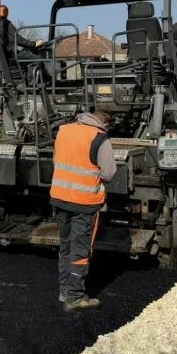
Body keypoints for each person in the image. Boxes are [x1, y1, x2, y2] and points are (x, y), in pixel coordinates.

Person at [50, 110, 116, 311]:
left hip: (61, 198)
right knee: (80, 249)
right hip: (85, 202)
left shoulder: (64, 130)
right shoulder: (100, 138)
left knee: (66, 246)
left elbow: (57, 161)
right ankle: (75, 297)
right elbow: (108, 173)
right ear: (105, 124)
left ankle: (65, 291)